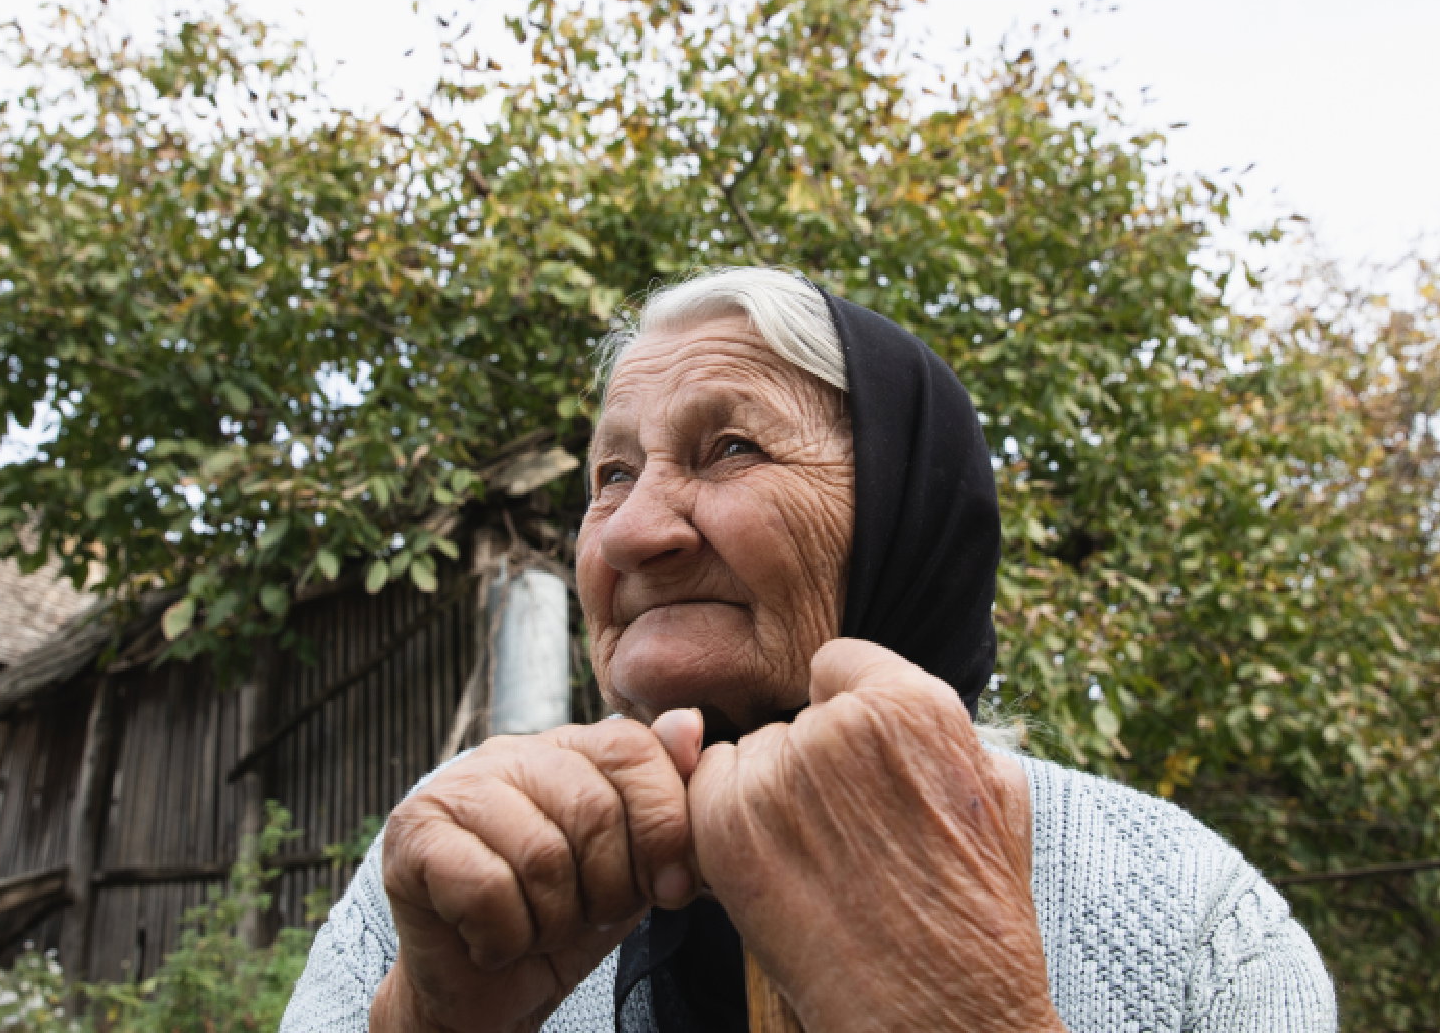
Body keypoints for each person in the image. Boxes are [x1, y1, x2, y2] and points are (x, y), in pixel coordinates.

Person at [280, 267, 1336, 1032]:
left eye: (729, 448)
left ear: (904, 515)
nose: (636, 530)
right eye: (611, 473)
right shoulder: (458, 873)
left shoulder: (1184, 909)